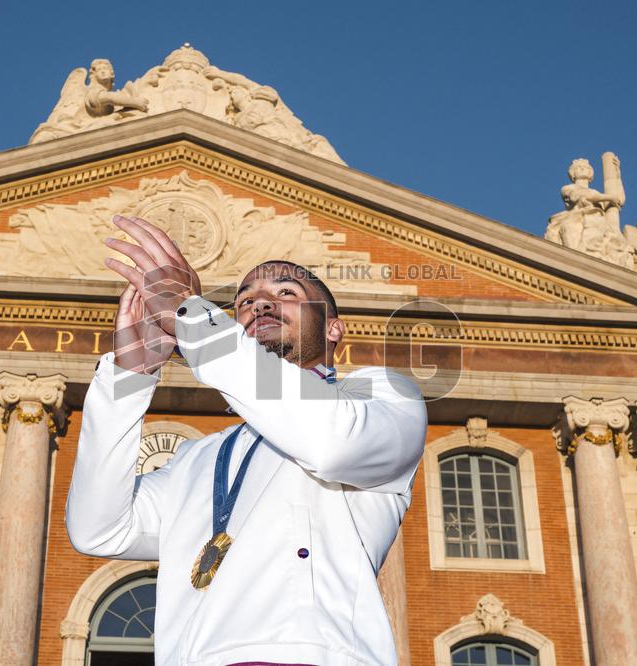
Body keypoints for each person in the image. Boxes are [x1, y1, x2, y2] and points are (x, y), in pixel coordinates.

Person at [66, 216, 427, 665]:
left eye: (287, 293)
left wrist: (192, 317)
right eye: (244, 302)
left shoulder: (380, 395)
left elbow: (330, 442)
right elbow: (99, 529)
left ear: (333, 328)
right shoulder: (198, 457)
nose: (261, 304)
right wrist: (128, 379)